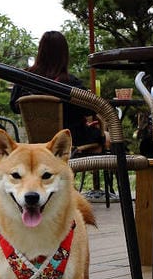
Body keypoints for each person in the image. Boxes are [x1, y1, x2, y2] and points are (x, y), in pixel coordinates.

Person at [10, 31, 109, 198]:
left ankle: (64, 184)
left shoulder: (24, 78)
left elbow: (14, 106)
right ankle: (100, 190)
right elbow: (90, 109)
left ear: (40, 51)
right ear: (64, 54)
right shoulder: (69, 82)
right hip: (69, 139)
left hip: (37, 140)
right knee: (106, 137)